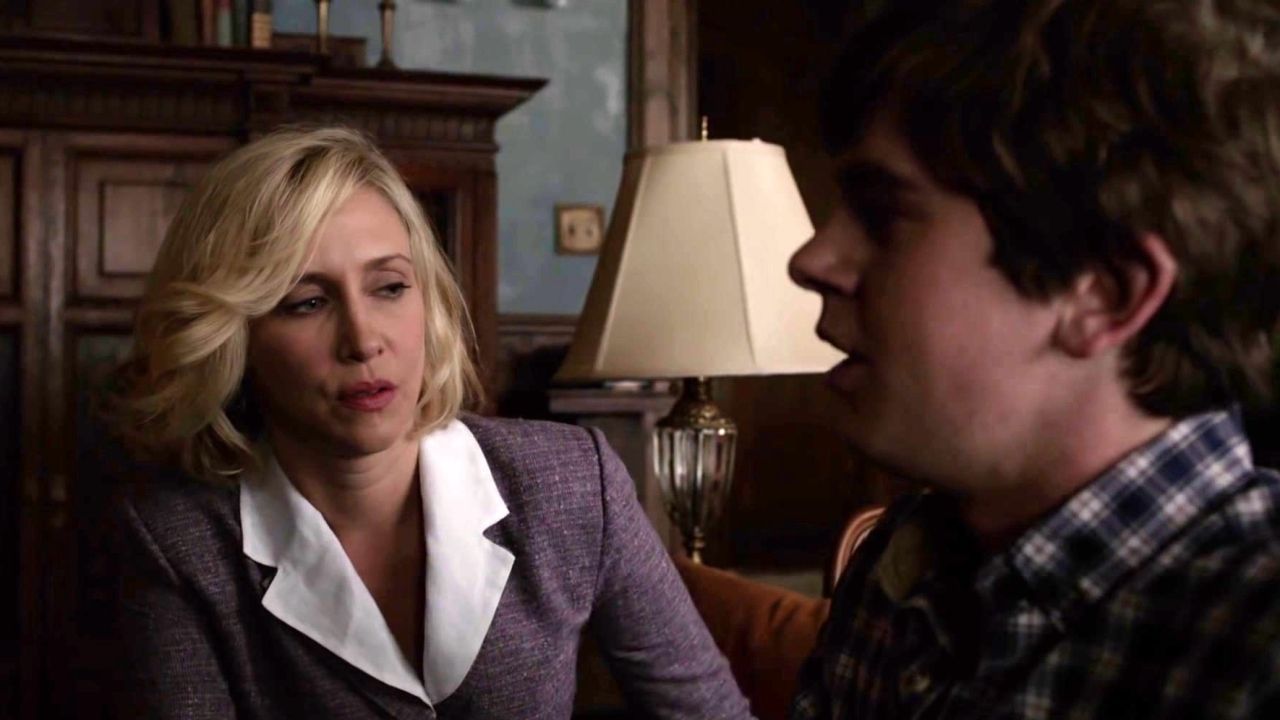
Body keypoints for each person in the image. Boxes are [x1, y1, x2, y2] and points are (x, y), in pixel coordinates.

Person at [106, 126, 751, 719]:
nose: (364, 340)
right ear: (235, 338)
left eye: (389, 287)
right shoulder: (178, 537)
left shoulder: (575, 481)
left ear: (429, 300)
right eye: (307, 302)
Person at [786, 0, 1280, 717]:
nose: (811, 259)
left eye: (884, 213)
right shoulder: (903, 565)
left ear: (1102, 295)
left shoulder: (1256, 636)